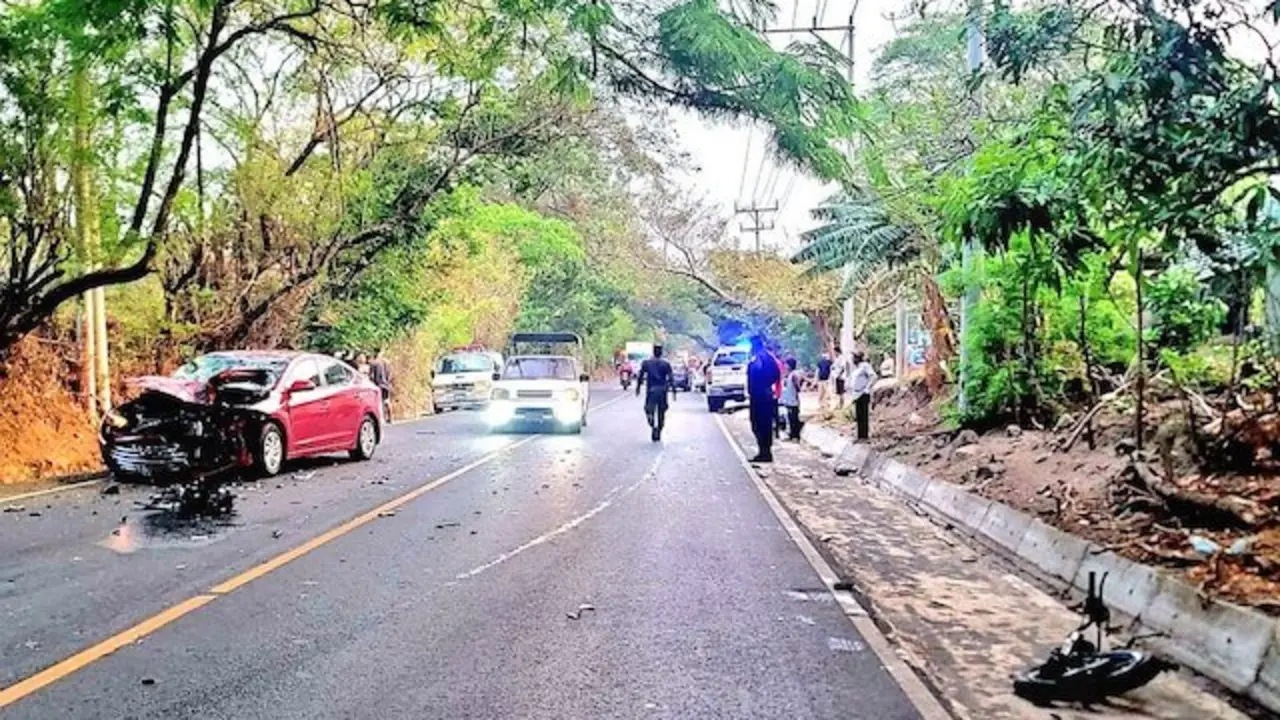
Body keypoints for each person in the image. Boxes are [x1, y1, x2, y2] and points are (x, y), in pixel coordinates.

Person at [746, 335, 781, 462]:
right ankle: (764, 451)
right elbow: (776, 374)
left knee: (760, 424)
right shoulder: (766, 357)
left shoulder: (760, 358)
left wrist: (761, 384)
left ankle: (765, 452)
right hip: (761, 394)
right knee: (760, 424)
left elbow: (772, 374)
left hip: (761, 396)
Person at [635, 344, 675, 442]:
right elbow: (671, 378)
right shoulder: (666, 364)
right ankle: (659, 428)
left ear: (653, 352)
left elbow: (640, 376)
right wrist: (673, 390)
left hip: (651, 390)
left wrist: (638, 387)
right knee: (662, 411)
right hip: (662, 390)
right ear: (661, 353)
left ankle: (651, 421)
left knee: (648, 408)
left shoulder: (646, 363)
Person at [849, 350, 877, 440]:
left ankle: (864, 436)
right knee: (858, 416)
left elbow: (873, 376)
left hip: (863, 393)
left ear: (858, 358)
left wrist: (867, 388)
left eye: (854, 357)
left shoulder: (865, 366)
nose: (852, 359)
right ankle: (859, 436)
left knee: (864, 416)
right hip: (856, 394)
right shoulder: (856, 368)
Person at [781, 357, 804, 440]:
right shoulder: (789, 375)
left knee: (794, 418)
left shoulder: (793, 375)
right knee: (790, 418)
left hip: (793, 400)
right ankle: (792, 434)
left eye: (786, 364)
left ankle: (795, 435)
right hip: (789, 400)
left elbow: (797, 387)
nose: (785, 366)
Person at [368, 350, 393, 423]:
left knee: (378, 402)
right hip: (386, 384)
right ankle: (390, 418)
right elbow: (390, 374)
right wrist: (388, 381)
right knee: (387, 401)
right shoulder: (387, 362)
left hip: (378, 385)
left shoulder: (374, 363)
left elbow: (371, 375)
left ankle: (380, 419)